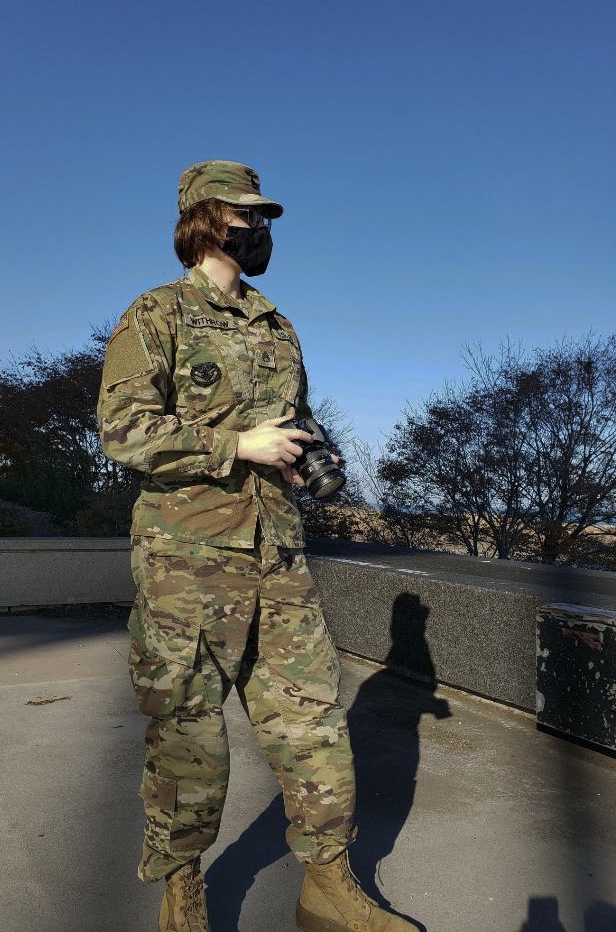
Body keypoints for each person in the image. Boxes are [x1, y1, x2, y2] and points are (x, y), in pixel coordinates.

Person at [97, 160, 417, 932]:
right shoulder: (159, 312)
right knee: (189, 735)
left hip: (278, 556)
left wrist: (316, 456)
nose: (262, 228)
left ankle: (329, 886)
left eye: (264, 216)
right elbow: (124, 431)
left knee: (313, 722)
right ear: (208, 219)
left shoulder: (278, 324)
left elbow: (296, 420)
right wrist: (239, 444)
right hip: (187, 560)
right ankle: (181, 890)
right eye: (248, 216)